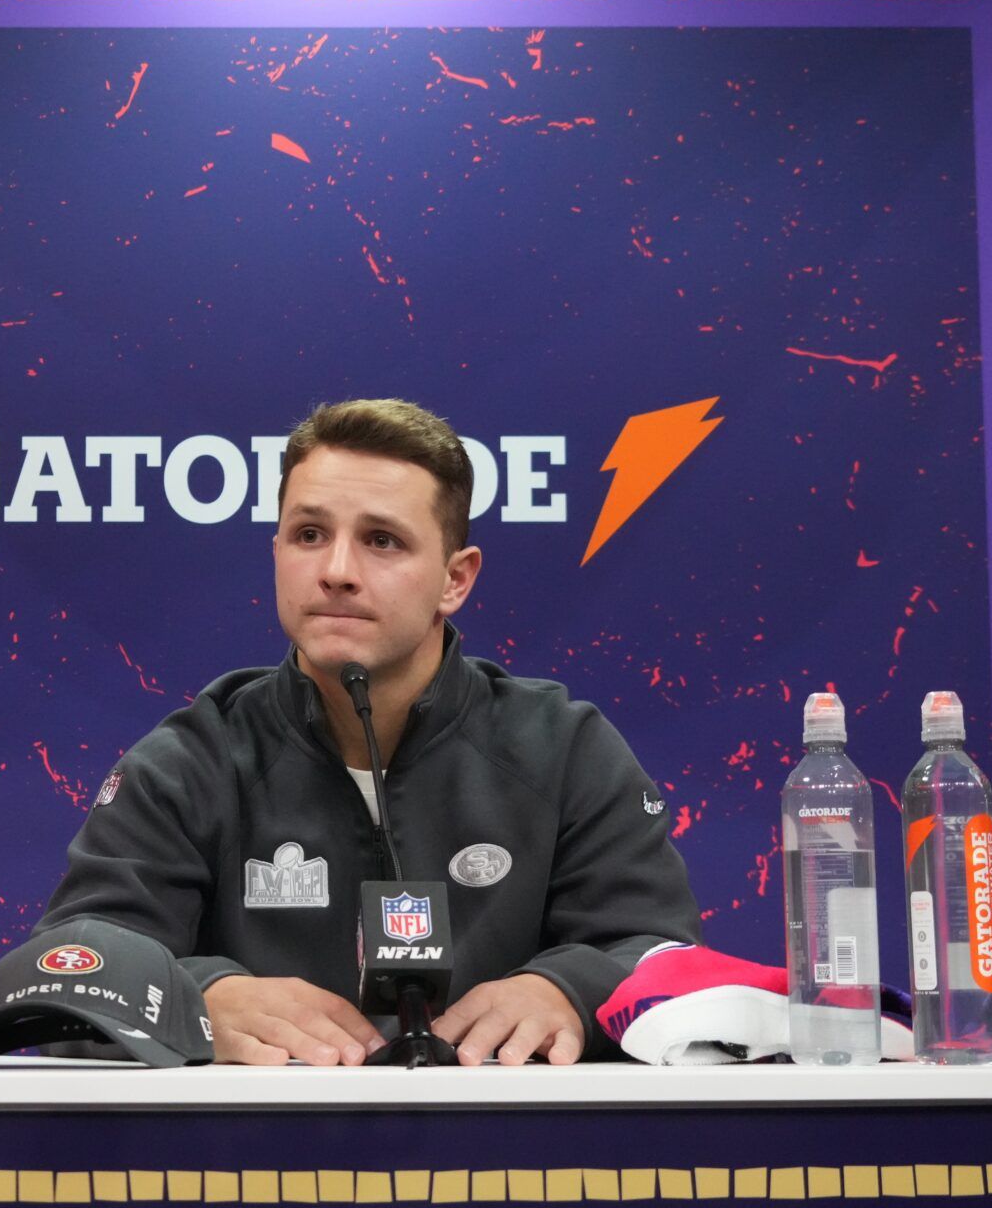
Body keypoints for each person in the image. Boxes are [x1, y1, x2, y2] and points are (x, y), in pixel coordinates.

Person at [35, 399, 700, 1066]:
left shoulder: (564, 749)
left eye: (382, 540)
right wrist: (197, 996)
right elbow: (64, 970)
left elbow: (663, 955)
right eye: (309, 534)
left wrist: (568, 992)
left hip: (507, 1159)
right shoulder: (190, 762)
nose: (336, 569)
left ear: (455, 578)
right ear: (277, 554)